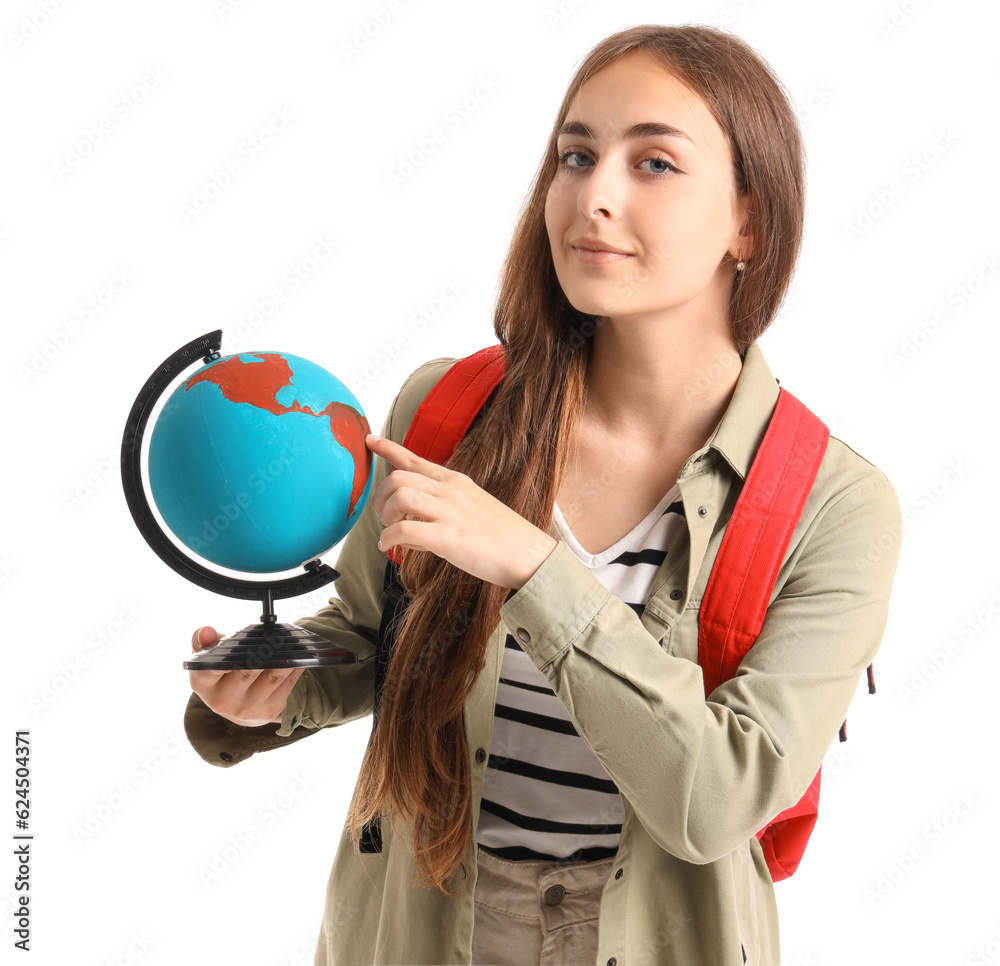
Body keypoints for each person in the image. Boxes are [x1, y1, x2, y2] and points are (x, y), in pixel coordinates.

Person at [184, 23, 903, 966]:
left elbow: (720, 796)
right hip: (421, 924)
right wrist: (265, 692)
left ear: (749, 222)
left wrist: (531, 565)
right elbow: (368, 637)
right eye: (576, 154)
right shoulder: (447, 411)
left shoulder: (833, 505)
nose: (594, 196)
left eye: (653, 162)